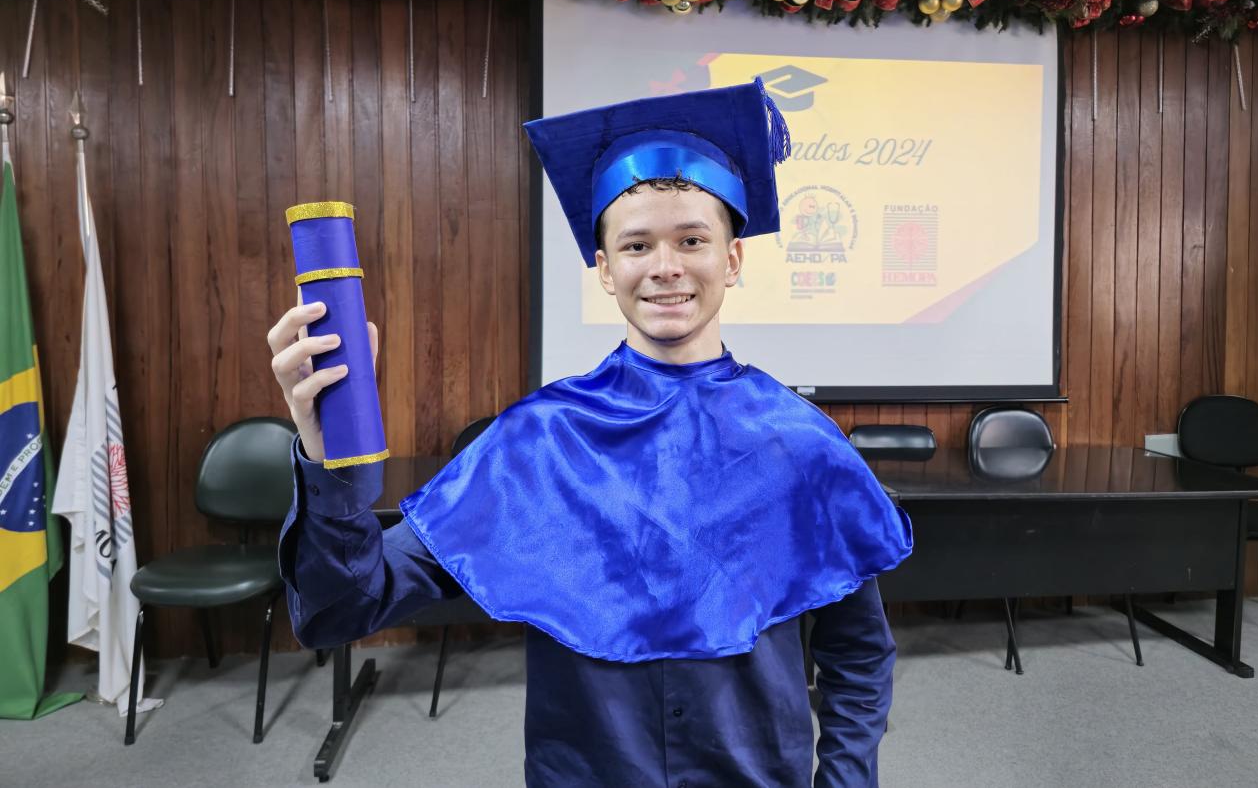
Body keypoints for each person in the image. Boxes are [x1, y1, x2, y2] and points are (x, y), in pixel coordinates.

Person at [270, 78, 913, 787]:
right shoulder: (537, 445)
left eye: (691, 239)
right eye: (637, 244)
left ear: (732, 259)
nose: (665, 266)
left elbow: (857, 650)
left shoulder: (801, 445)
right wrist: (327, 461)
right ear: (606, 270)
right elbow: (342, 606)